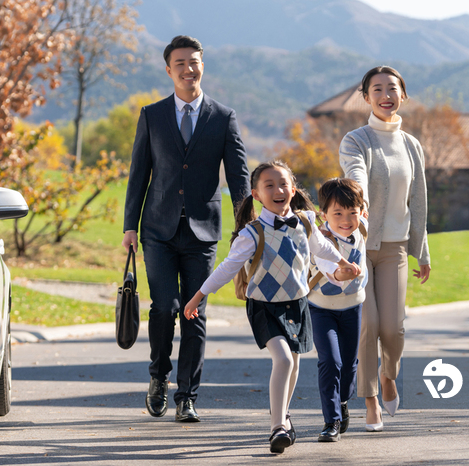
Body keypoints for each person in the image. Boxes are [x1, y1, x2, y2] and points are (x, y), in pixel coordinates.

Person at [183, 161, 361, 453]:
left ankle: (284, 417)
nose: (278, 190)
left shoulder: (304, 222)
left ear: (292, 189)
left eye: (283, 184)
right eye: (269, 185)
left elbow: (322, 248)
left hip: (298, 304)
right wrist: (198, 296)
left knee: (293, 364)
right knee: (285, 360)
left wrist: (343, 263)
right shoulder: (251, 234)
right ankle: (277, 427)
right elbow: (227, 268)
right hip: (264, 307)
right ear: (256, 194)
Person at [122, 35, 250, 423]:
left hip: (203, 233)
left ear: (202, 66)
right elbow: (138, 174)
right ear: (169, 70)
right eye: (180, 63)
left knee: (195, 313)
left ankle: (187, 397)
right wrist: (130, 226)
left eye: (194, 62)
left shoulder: (223, 117)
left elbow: (239, 175)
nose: (188, 69)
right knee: (164, 308)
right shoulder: (152, 114)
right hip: (157, 230)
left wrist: (247, 226)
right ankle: (158, 377)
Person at [338, 66, 432, 432]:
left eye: (392, 88)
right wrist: (357, 195)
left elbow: (419, 201)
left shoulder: (411, 145)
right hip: (359, 246)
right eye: (377, 89)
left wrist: (421, 250)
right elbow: (354, 171)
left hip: (394, 247)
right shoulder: (355, 139)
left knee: (393, 328)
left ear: (403, 96)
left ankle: (388, 374)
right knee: (368, 326)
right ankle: (371, 398)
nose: (385, 95)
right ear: (366, 97)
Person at [307, 178, 368, 442]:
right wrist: (347, 271)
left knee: (350, 365)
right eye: (337, 214)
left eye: (352, 213)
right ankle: (331, 420)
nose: (346, 220)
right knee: (330, 362)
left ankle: (343, 401)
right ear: (324, 215)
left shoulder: (363, 227)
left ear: (362, 212)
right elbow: (334, 274)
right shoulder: (319, 241)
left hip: (353, 307)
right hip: (321, 309)